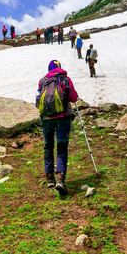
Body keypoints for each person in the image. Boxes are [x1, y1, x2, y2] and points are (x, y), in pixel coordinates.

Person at [36, 59, 78, 193]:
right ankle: (60, 178)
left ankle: (49, 178)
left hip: (46, 119)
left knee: (48, 146)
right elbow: (74, 98)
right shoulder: (65, 79)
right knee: (61, 147)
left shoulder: (43, 81)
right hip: (62, 117)